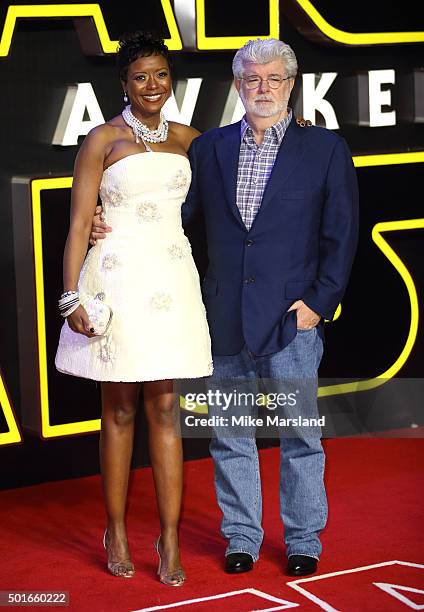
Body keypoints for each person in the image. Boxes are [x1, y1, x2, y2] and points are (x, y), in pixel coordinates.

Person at [91, 38, 359, 577]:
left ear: (290, 85)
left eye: (274, 80)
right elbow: (172, 214)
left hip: (293, 319)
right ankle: (242, 536)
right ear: (238, 86)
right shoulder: (209, 147)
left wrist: (319, 304)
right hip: (223, 316)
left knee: (300, 436)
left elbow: (342, 232)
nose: (263, 89)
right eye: (252, 80)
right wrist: (109, 224)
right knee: (231, 433)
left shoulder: (324, 148)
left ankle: (304, 540)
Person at [55, 31, 212, 584]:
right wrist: (70, 294)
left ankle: (168, 540)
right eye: (141, 76)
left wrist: (298, 132)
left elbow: (251, 166)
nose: (152, 85)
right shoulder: (103, 139)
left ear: (172, 81)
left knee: (166, 411)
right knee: (118, 412)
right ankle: (116, 529)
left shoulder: (194, 139)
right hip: (116, 282)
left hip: (172, 279)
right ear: (123, 82)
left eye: (161, 75)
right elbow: (78, 224)